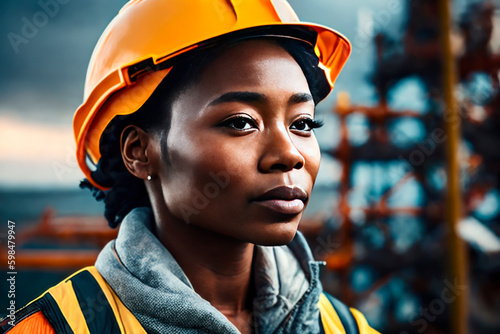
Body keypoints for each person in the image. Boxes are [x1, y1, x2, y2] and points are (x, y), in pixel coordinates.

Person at [1, 0, 379, 333]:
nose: (290, 153)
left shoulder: (344, 327)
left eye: (302, 124)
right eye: (241, 122)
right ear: (138, 151)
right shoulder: (52, 329)